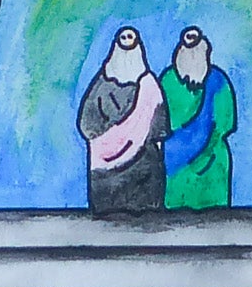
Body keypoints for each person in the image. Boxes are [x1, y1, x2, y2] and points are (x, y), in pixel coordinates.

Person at [77, 28, 168, 213]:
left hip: (144, 162)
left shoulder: (149, 86)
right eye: (123, 38)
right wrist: (108, 138)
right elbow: (86, 123)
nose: (127, 41)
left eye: (130, 38)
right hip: (106, 169)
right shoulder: (102, 84)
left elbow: (159, 126)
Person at [160, 29, 239, 210]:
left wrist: (206, 154)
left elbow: (225, 123)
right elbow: (158, 122)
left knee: (215, 219)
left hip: (211, 163)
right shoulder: (167, 80)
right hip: (174, 167)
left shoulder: (218, 80)